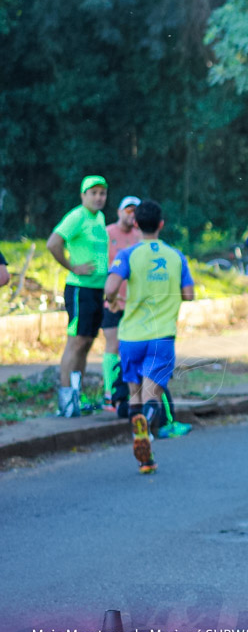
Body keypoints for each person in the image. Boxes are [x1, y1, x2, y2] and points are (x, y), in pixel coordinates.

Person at [104, 200, 195, 473]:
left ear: (136, 224)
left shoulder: (128, 254)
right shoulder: (176, 256)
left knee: (134, 394)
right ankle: (147, 424)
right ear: (161, 224)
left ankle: (145, 457)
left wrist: (113, 302)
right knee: (151, 394)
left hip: (131, 336)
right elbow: (189, 295)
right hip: (161, 335)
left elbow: (110, 287)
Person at [47, 175, 110, 417]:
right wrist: (72, 266)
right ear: (83, 195)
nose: (98, 197)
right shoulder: (77, 216)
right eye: (93, 193)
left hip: (97, 290)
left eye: (102, 193)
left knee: (86, 343)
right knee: (76, 342)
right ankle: (66, 400)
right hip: (79, 289)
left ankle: (78, 395)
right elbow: (53, 243)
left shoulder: (100, 218)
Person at [101, 196, 142, 411]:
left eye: (135, 211)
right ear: (119, 211)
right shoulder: (107, 233)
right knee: (112, 344)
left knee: (131, 348)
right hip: (111, 300)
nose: (131, 214)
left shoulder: (140, 237)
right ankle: (110, 392)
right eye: (128, 210)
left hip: (133, 302)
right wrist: (110, 296)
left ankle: (129, 393)